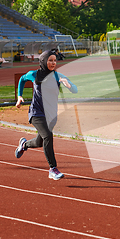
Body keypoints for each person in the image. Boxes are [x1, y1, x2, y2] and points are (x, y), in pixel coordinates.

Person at [14, 50, 78, 180]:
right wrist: (19, 97)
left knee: (40, 141)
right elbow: (22, 79)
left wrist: (69, 85)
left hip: (51, 115)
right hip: (36, 113)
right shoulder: (34, 74)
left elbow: (75, 89)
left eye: (55, 60)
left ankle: (24, 145)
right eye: (50, 60)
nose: (53, 63)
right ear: (43, 61)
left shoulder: (57, 76)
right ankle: (53, 168)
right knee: (48, 136)